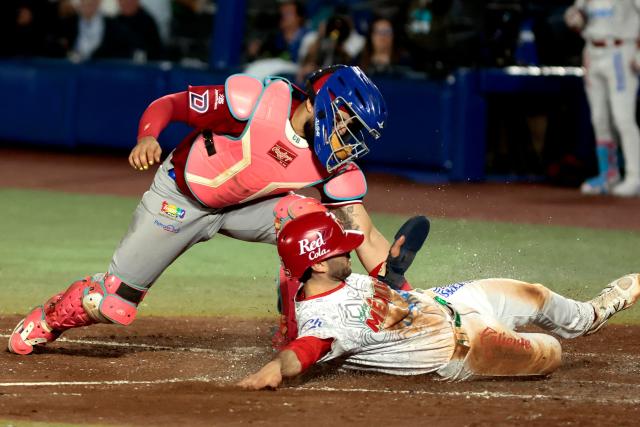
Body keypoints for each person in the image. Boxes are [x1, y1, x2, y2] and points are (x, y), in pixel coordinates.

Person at [8, 65, 404, 355]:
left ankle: (295, 329)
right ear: (324, 103)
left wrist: (402, 292)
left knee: (322, 228)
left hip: (244, 209)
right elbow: (171, 104)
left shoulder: (335, 164)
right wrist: (148, 137)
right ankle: (49, 318)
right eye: (349, 124)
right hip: (180, 198)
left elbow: (362, 233)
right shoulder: (254, 101)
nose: (349, 140)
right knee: (111, 303)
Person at [238, 211, 640, 389]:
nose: (349, 251)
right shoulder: (324, 320)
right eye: (340, 249)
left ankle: (591, 314)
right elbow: (307, 349)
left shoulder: (333, 278)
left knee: (536, 294)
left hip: (449, 299)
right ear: (318, 265)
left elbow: (384, 302)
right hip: (466, 349)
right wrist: (277, 368)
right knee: (550, 353)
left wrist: (392, 276)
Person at [565, 1, 640, 197]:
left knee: (622, 117)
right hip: (592, 51)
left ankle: (635, 176)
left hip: (621, 50)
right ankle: (608, 174)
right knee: (599, 119)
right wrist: (575, 19)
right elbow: (578, 15)